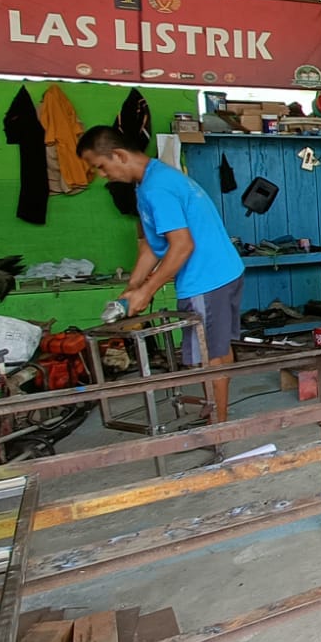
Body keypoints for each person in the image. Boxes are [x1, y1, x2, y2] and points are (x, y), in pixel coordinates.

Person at [77, 126, 245, 423]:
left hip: (207, 279)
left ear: (118, 155)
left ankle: (217, 428)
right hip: (221, 272)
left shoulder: (157, 187)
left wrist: (148, 290)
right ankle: (217, 417)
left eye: (101, 167)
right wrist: (132, 287)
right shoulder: (149, 182)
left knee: (212, 358)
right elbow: (152, 247)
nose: (102, 175)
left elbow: (182, 246)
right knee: (218, 350)